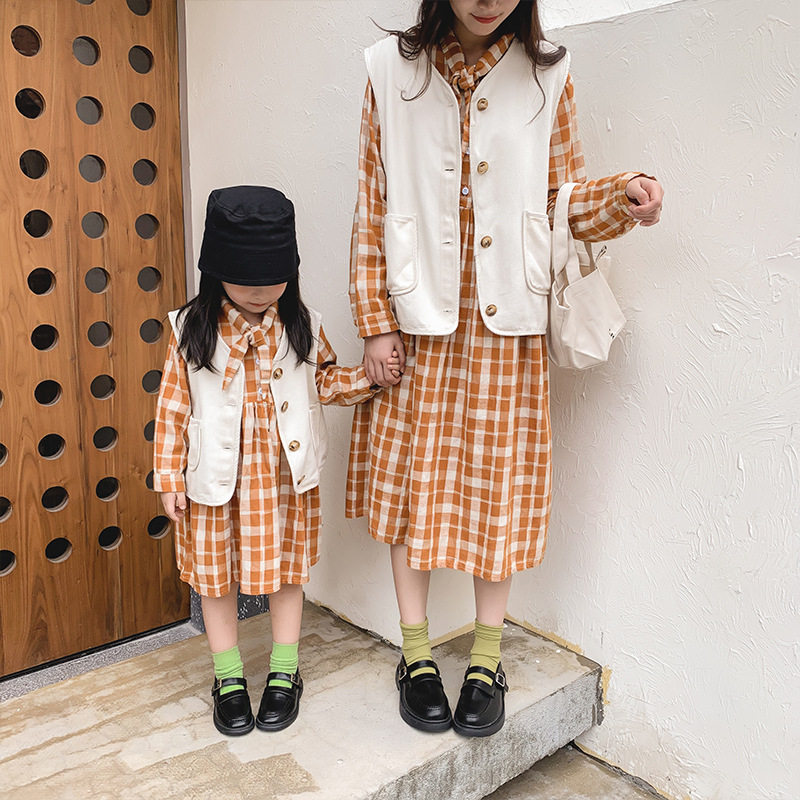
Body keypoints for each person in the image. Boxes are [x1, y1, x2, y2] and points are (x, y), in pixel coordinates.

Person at [347, 0, 664, 738]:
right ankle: (416, 656)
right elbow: (370, 201)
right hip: (417, 317)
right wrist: (374, 322)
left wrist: (621, 199)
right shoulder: (388, 70)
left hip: (508, 322)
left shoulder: (549, 74)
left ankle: (487, 660)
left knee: (499, 494)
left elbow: (562, 200)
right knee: (414, 490)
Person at [154, 186, 399, 736]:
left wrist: (370, 378)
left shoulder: (301, 323)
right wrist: (168, 475)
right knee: (215, 578)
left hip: (284, 478)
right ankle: (228, 678)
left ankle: (285, 671)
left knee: (286, 573)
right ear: (215, 270)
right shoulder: (189, 329)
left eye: (272, 277)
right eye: (246, 279)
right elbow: (172, 408)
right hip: (214, 482)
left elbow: (325, 381)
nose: (261, 291)